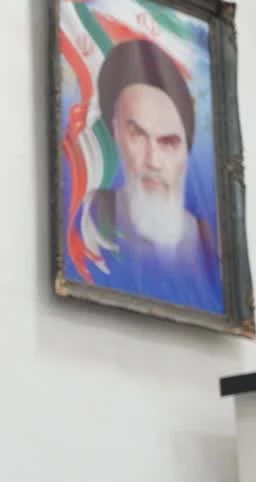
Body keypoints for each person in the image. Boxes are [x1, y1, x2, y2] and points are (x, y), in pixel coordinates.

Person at [80, 38, 223, 313]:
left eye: (168, 143)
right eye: (138, 135)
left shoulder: (210, 246)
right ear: (116, 132)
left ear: (186, 152)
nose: (153, 161)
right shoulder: (90, 214)